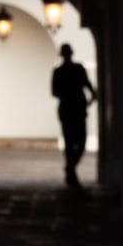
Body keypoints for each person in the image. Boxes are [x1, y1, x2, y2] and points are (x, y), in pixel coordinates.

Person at [52, 44, 98, 192]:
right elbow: (54, 91)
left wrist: (90, 98)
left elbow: (88, 85)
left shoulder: (78, 69)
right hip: (70, 109)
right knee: (70, 141)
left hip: (76, 109)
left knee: (80, 141)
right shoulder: (59, 71)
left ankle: (70, 168)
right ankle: (71, 170)